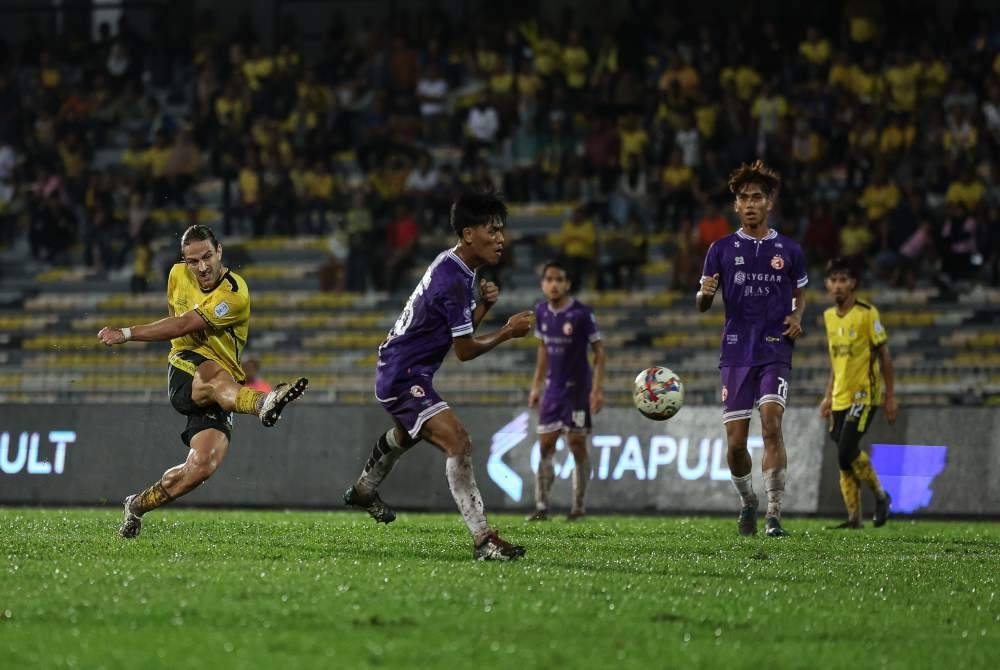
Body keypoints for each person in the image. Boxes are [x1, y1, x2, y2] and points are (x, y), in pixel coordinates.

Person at [343, 188, 533, 561]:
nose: (500, 239)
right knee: (458, 441)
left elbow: (452, 333)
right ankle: (484, 541)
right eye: (492, 231)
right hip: (402, 374)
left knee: (407, 434)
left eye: (501, 231)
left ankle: (364, 489)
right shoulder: (452, 279)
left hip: (403, 369)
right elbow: (464, 351)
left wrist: (481, 308)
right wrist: (507, 332)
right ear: (467, 234)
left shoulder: (453, 266)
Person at [98, 224, 308, 539]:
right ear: (184, 260)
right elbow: (178, 324)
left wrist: (129, 332)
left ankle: (136, 505)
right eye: (193, 261)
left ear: (219, 251)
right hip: (186, 368)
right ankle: (263, 402)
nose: (201, 267)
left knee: (201, 466)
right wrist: (127, 334)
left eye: (207, 257)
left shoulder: (234, 294)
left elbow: (184, 321)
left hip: (224, 384)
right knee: (213, 375)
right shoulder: (176, 275)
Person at [697, 160, 807, 538]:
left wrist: (796, 316)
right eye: (743, 198)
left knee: (772, 422)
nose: (749, 204)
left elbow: (800, 292)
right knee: (735, 445)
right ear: (735, 205)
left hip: (775, 348)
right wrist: (704, 295)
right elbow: (702, 300)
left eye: (756, 197)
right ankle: (748, 500)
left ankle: (774, 512)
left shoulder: (788, 249)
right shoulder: (721, 249)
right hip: (735, 352)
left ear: (769, 203)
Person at [819, 257, 895, 529]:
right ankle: (854, 518)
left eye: (843, 280)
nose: (838, 285)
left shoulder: (866, 313)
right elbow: (834, 361)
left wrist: (890, 395)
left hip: (864, 393)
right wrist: (828, 395)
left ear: (853, 283)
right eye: (833, 280)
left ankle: (880, 496)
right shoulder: (828, 317)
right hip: (839, 395)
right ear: (827, 285)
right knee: (844, 454)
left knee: (847, 449)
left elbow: (884, 354)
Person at [526, 260, 605, 521]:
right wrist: (536, 386)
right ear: (542, 284)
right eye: (549, 279)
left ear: (567, 284)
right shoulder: (541, 312)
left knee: (576, 445)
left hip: (577, 392)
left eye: (559, 279)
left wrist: (596, 390)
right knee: (545, 446)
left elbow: (599, 352)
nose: (554, 284)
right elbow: (542, 349)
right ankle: (541, 506)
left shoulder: (581, 314)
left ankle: (578, 508)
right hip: (552, 391)